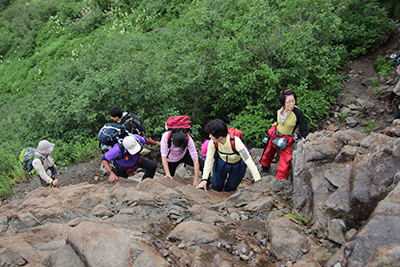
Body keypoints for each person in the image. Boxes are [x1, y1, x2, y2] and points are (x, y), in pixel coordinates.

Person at [196, 119, 261, 192]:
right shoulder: (213, 142)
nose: (210, 136)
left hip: (238, 165)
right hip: (221, 163)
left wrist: (257, 178)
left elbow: (248, 159)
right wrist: (204, 179)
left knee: (231, 188)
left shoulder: (236, 142)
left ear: (220, 136)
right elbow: (209, 160)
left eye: (212, 135)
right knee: (216, 186)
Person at [260, 89, 308, 180]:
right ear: (283, 102)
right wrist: (272, 127)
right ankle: (265, 167)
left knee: (284, 161)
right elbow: (275, 120)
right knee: (267, 153)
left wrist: (305, 141)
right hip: (276, 134)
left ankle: (280, 180)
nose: (291, 104)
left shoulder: (298, 113)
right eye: (288, 102)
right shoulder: (279, 108)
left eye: (293, 101)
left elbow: (303, 128)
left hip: (287, 138)